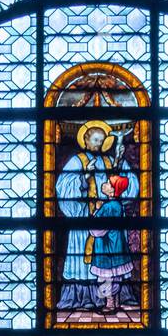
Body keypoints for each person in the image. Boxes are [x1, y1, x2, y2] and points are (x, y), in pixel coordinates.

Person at [55, 119, 138, 311]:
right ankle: (85, 298)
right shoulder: (77, 161)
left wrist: (119, 168)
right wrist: (84, 178)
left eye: (101, 140)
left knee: (109, 265)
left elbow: (129, 184)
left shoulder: (111, 161)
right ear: (85, 139)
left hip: (108, 226)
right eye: (94, 139)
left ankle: (114, 298)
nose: (98, 144)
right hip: (86, 220)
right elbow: (64, 188)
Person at [88, 173, 133, 313]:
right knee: (115, 276)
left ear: (113, 191)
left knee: (105, 277)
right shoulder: (118, 205)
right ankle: (116, 301)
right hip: (117, 246)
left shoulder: (107, 207)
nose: (104, 184)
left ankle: (110, 304)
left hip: (107, 248)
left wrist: (96, 213)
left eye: (108, 183)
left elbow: (98, 229)